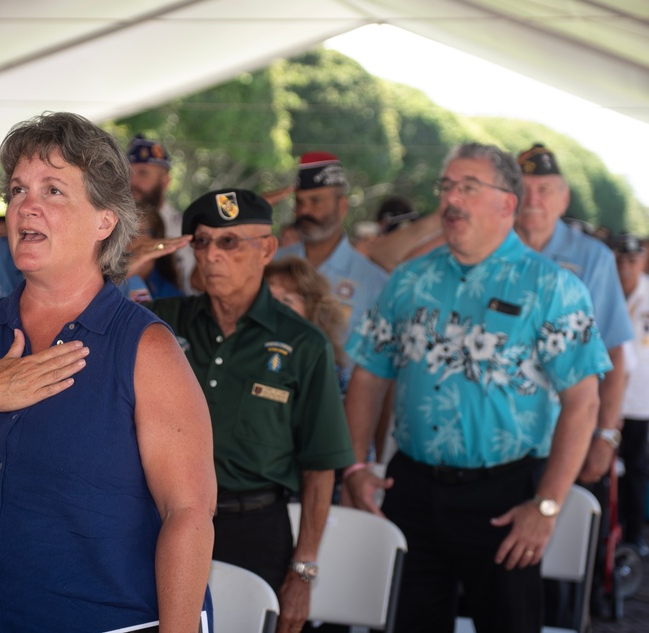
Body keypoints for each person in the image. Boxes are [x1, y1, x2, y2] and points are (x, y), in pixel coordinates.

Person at [0, 112, 216, 633]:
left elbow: (188, 513)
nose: (26, 206)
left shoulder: (146, 349)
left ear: (105, 221)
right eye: (18, 190)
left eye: (53, 190)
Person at [343, 143, 611, 633]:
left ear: (507, 203)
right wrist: (357, 464)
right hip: (412, 488)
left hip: (506, 496)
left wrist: (547, 505)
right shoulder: (409, 279)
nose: (451, 199)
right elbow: (368, 374)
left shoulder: (552, 287)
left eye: (468, 187)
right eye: (446, 187)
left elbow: (583, 400)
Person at [148, 188, 353, 633]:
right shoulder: (162, 323)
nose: (212, 256)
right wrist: (131, 258)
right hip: (159, 523)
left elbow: (320, 468)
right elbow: (89, 317)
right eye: (201, 241)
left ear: (267, 249)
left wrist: (303, 572)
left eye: (230, 242)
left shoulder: (303, 344)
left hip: (256, 529)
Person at [514, 143, 632, 486]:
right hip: (493, 434)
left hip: (563, 434)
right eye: (523, 189)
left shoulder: (594, 259)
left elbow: (613, 351)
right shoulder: (490, 250)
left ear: (563, 199)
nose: (533, 199)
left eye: (544, 190)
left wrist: (606, 434)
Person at [275, 152, 389, 348]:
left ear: (342, 206)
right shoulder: (274, 265)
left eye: (316, 201)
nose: (305, 211)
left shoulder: (374, 282)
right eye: (299, 202)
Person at [614, 233, 649, 558]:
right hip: (605, 399)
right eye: (620, 259)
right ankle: (607, 529)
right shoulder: (601, 290)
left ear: (644, 262)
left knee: (635, 467)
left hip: (641, 400)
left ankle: (633, 536)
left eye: (632, 260)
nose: (625, 267)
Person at [128, 134, 197, 294]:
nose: (132, 181)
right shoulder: (109, 221)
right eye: (128, 173)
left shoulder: (184, 228)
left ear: (165, 182)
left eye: (143, 173)